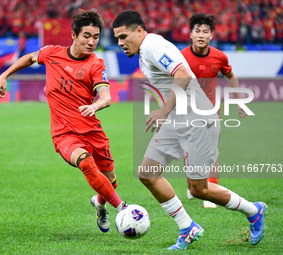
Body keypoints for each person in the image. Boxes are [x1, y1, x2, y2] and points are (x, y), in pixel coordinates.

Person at [112, 10, 266, 250]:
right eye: (117, 39)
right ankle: (188, 227)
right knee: (148, 173)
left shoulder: (152, 46)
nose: (120, 43)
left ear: (139, 31)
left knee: (198, 189)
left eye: (123, 36)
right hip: (178, 120)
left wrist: (163, 111)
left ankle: (254, 211)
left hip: (198, 120)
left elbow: (183, 74)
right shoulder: (145, 51)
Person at [0, 10, 125, 233]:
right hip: (63, 133)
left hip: (92, 131)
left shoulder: (96, 64)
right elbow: (29, 58)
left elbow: (105, 95)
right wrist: (4, 75)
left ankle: (99, 203)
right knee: (85, 162)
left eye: (96, 37)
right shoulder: (52, 53)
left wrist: (96, 105)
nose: (92, 41)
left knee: (110, 179)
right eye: (86, 36)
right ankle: (123, 209)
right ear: (74, 35)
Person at [181, 13, 246, 209]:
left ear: (211, 35)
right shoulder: (181, 57)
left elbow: (230, 75)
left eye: (205, 32)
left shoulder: (219, 57)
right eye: (197, 31)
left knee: (211, 153)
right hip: (186, 112)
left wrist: (239, 102)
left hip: (210, 112)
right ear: (190, 34)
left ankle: (211, 190)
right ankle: (193, 185)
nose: (201, 35)